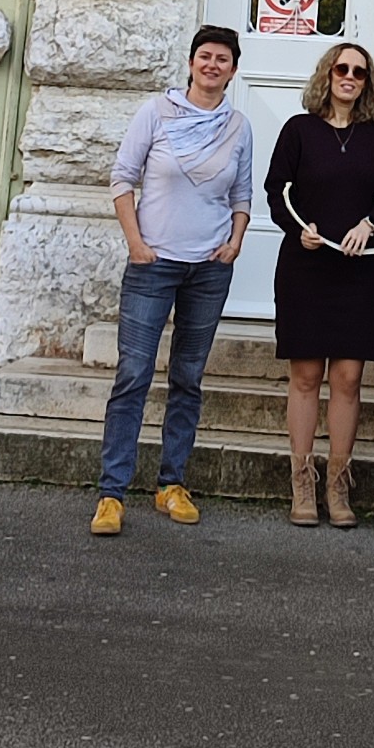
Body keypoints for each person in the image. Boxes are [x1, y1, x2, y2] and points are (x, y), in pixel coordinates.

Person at [90, 26, 254, 537]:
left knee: (187, 377)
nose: (212, 65)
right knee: (133, 374)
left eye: (222, 59)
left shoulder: (238, 126)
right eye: (204, 56)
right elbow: (122, 178)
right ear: (190, 63)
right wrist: (136, 243)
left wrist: (236, 240)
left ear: (233, 69)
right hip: (153, 265)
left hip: (209, 268)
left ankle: (171, 484)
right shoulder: (156, 113)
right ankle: (112, 493)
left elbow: (242, 193)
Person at [264, 40, 374, 529]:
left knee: (348, 380)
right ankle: (302, 483)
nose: (349, 77)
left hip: (356, 271)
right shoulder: (298, 130)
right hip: (306, 267)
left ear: (367, 83)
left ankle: (338, 486)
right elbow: (276, 192)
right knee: (305, 377)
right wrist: (299, 229)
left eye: (359, 72)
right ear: (327, 73)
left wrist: (369, 223)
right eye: (342, 68)